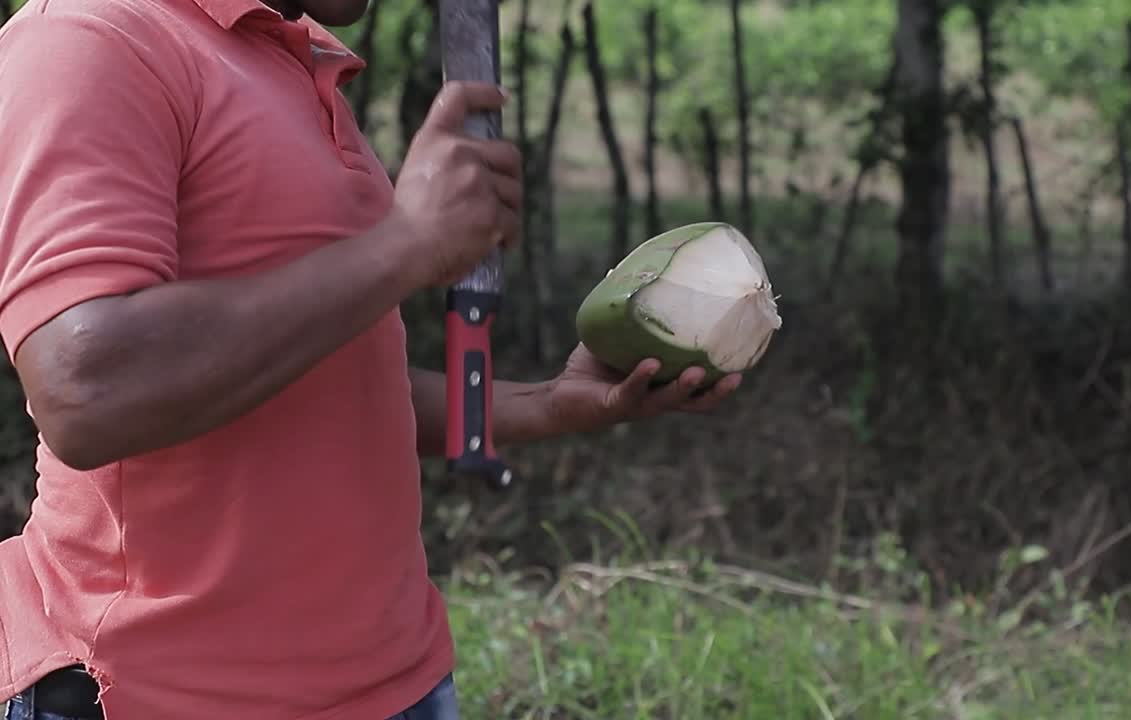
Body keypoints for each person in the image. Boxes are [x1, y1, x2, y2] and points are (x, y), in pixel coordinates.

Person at [0, 0, 741, 715]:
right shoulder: (93, 35)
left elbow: (335, 379)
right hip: (165, 693)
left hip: (398, 681)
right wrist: (405, 244)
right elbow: (87, 390)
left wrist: (548, 404)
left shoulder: (293, 56)